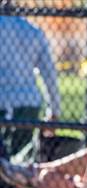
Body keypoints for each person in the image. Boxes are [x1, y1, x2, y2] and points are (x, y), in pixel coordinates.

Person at [0, 16, 60, 159]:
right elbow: (49, 73)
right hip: (28, 102)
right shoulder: (32, 30)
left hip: (4, 99)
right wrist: (54, 110)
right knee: (21, 159)